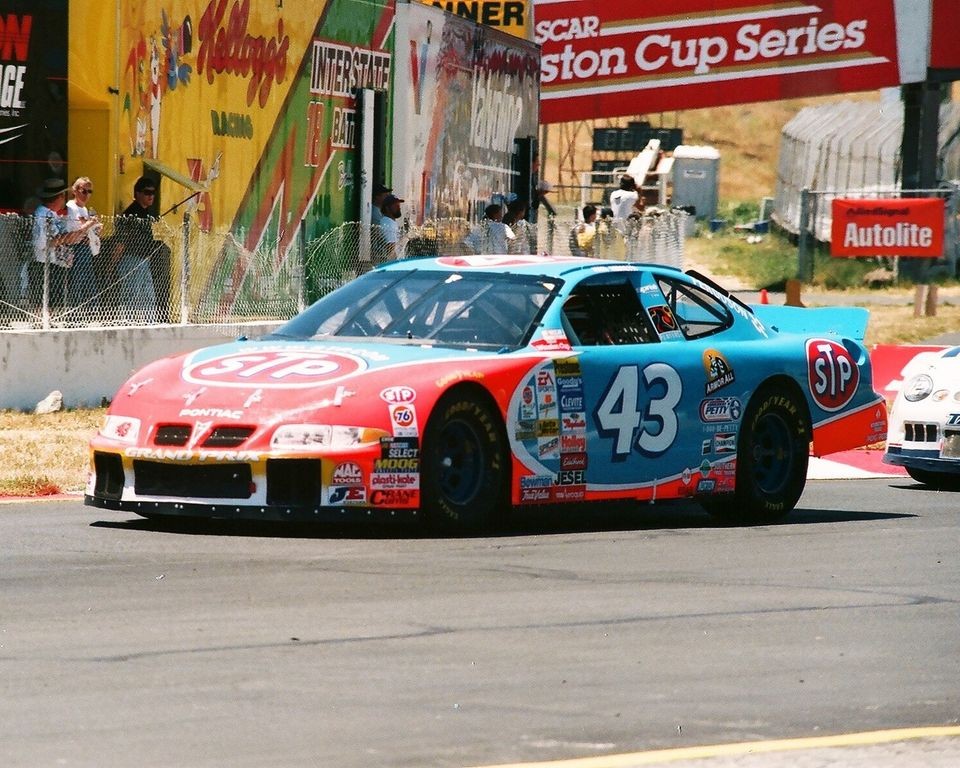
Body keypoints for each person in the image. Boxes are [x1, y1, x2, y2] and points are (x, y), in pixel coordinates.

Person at [29, 178, 98, 314]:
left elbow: (69, 238)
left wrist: (80, 232)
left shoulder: (53, 214)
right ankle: (43, 323)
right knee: (44, 297)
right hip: (44, 262)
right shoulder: (44, 214)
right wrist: (80, 230)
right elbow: (48, 241)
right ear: (59, 197)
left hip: (55, 262)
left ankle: (50, 322)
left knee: (55, 297)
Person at [112, 176, 169, 323]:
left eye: (153, 193)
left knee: (148, 297)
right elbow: (121, 242)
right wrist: (112, 264)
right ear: (137, 193)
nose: (151, 196)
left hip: (144, 261)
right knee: (131, 297)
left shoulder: (146, 214)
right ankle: (128, 323)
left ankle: (150, 324)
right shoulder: (130, 214)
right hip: (130, 260)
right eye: (147, 192)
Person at [65, 177, 103, 319]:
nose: (86, 194)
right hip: (76, 247)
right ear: (75, 190)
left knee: (88, 280)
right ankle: (74, 312)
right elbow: (75, 229)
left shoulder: (85, 209)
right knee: (77, 280)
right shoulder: (71, 208)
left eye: (89, 191)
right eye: (83, 191)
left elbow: (86, 229)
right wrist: (89, 225)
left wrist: (94, 229)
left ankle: (91, 311)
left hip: (86, 248)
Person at [378, 193, 404, 261]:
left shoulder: (391, 222)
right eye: (395, 205)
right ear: (387, 208)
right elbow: (390, 248)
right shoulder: (388, 223)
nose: (398, 207)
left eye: (398, 204)